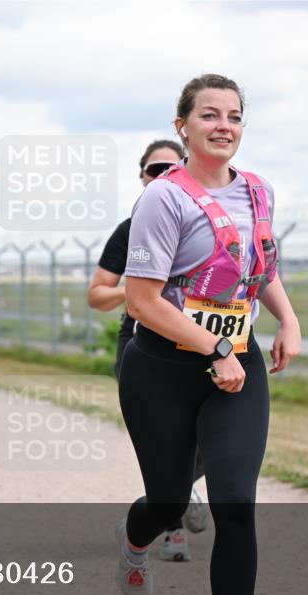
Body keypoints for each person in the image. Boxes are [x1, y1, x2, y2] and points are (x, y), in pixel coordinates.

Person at [114, 74, 301, 595]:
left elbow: (260, 268)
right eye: (210, 115)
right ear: (183, 126)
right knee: (169, 503)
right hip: (162, 368)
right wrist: (212, 352)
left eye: (235, 116)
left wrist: (287, 321)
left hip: (238, 366)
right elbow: (141, 301)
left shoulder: (258, 192)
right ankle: (135, 542)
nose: (224, 126)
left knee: (234, 501)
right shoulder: (162, 199)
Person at [87, 139, 208, 564]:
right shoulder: (133, 227)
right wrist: (138, 288)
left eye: (170, 169)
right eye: (153, 170)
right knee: (166, 438)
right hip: (142, 342)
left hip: (204, 342)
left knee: (214, 439)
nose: (161, 177)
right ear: (141, 176)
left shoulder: (209, 222)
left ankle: (185, 487)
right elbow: (96, 294)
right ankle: (173, 532)